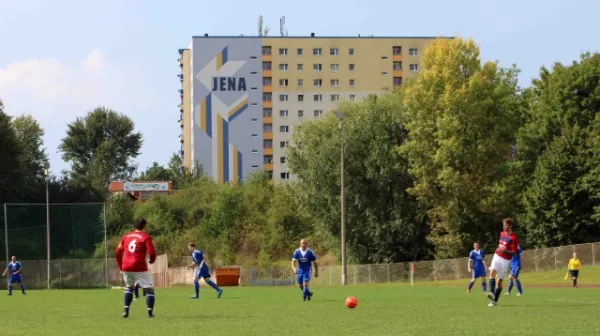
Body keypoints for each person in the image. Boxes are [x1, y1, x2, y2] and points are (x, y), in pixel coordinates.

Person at [115, 218, 157, 318]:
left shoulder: (126, 237)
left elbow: (117, 252)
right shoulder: (146, 237)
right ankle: (150, 313)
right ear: (144, 226)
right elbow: (151, 253)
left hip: (126, 266)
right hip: (139, 266)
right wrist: (152, 260)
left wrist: (121, 266)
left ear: (134, 226)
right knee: (149, 289)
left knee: (129, 287)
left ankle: (126, 311)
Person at [486, 218, 519, 307]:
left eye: (506, 225)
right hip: (497, 256)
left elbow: (513, 252)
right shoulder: (501, 233)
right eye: (503, 225)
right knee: (492, 271)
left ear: (510, 225)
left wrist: (505, 251)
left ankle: (495, 301)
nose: (504, 227)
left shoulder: (514, 238)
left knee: (499, 282)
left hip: (505, 260)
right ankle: (492, 293)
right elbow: (501, 245)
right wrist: (499, 249)